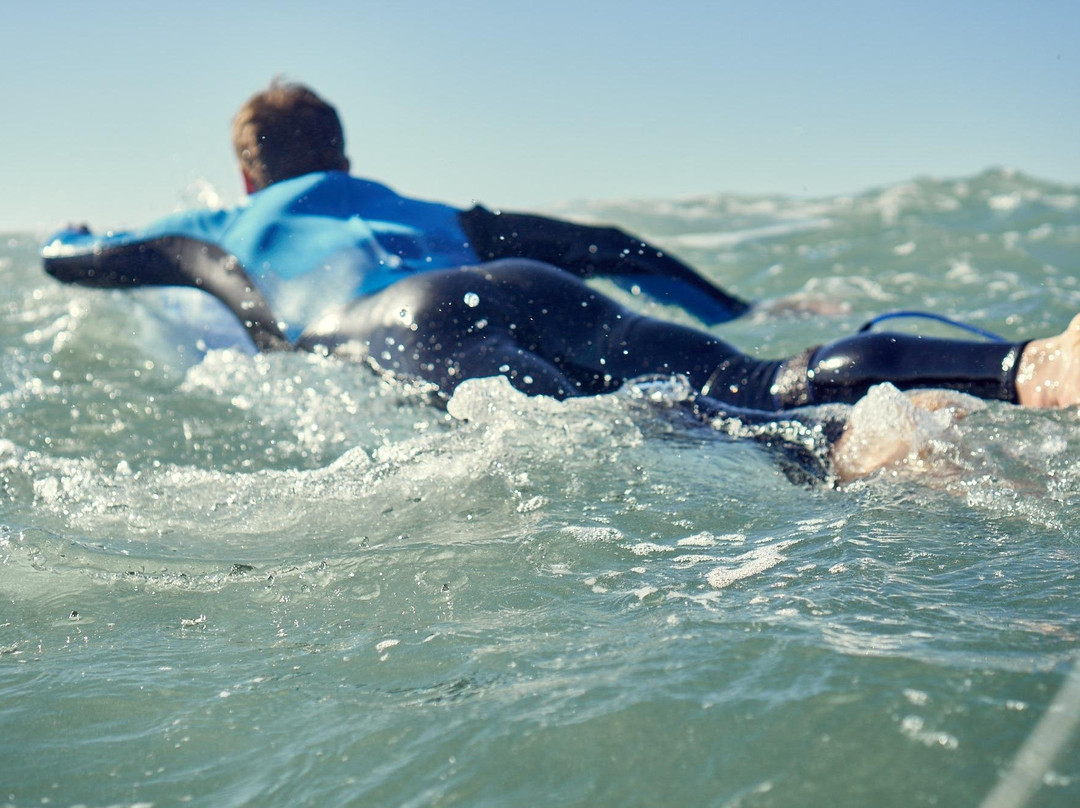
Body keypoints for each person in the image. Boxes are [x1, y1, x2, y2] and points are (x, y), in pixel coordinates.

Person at [40, 80, 1080, 481]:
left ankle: (870, 450)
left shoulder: (218, 226)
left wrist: (77, 231)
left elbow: (76, 262)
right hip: (515, 276)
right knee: (760, 377)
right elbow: (608, 240)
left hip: (392, 328)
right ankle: (1024, 364)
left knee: (670, 427)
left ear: (248, 172)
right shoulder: (424, 208)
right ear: (345, 154)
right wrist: (732, 306)